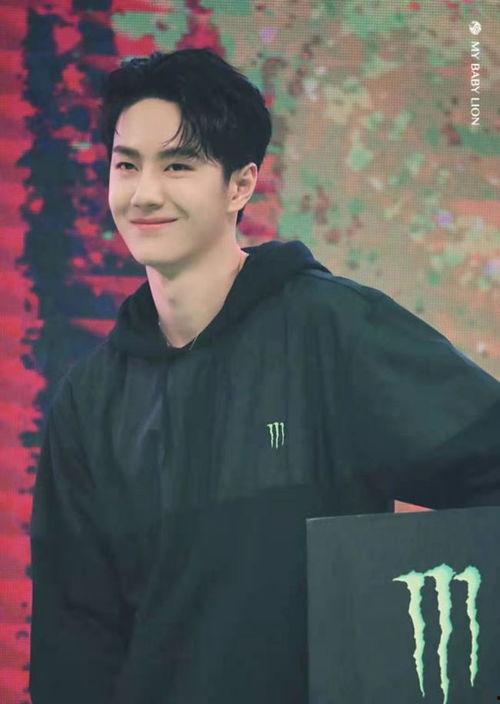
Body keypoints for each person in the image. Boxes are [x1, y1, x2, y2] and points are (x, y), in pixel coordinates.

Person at [29, 48, 500, 704]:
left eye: (178, 165)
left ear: (241, 186)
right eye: (126, 164)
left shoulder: (332, 331)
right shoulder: (89, 401)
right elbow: (72, 641)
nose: (144, 193)